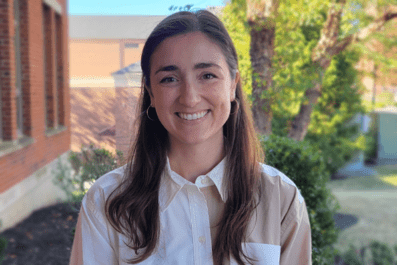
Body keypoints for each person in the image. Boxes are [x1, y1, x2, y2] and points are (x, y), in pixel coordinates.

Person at [69, 10, 312, 265]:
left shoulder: (282, 199)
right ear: (151, 94)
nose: (190, 97)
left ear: (232, 85)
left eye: (207, 75)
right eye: (169, 79)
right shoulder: (107, 201)